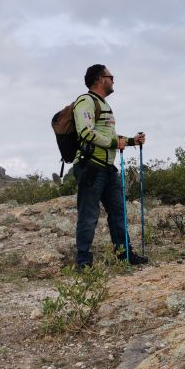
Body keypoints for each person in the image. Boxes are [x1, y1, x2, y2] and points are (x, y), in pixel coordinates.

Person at [72, 64, 147, 269]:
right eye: (110, 76)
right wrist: (115, 143)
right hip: (91, 167)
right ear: (99, 79)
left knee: (118, 211)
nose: (113, 80)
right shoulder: (85, 102)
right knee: (88, 215)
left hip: (107, 169)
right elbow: (85, 133)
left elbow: (109, 136)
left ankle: (124, 254)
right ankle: (83, 261)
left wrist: (131, 141)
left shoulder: (104, 105)